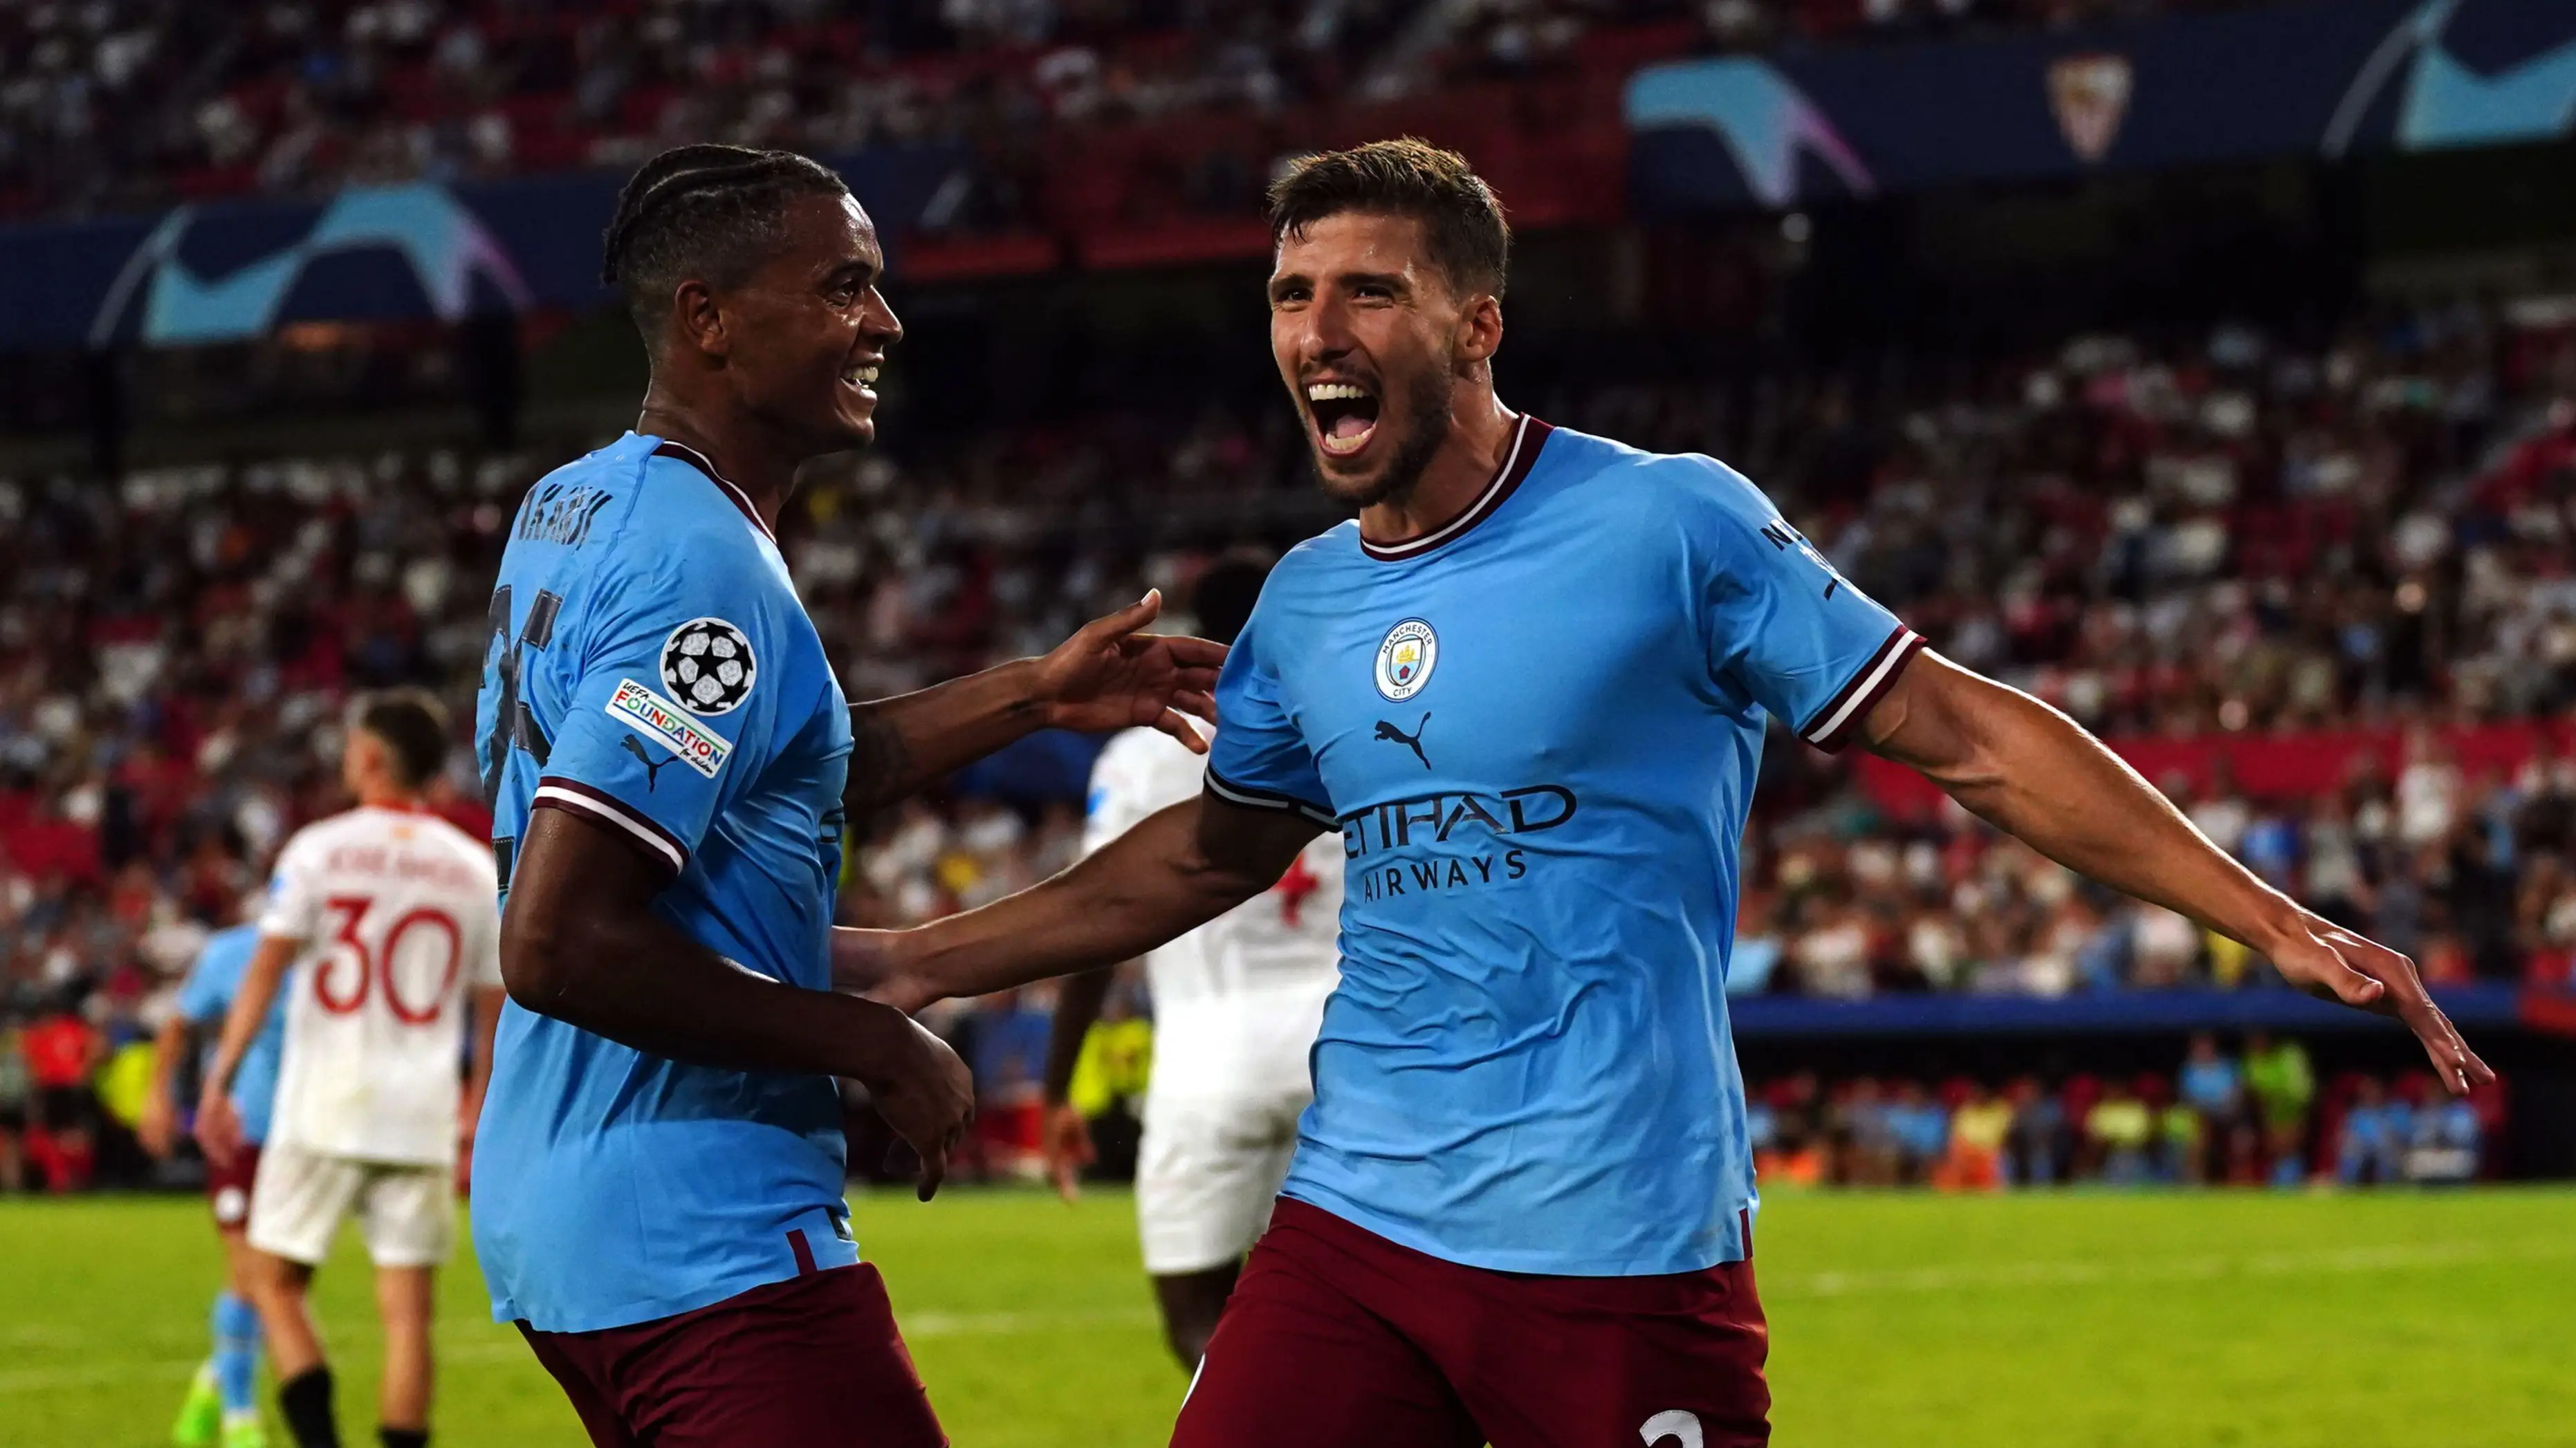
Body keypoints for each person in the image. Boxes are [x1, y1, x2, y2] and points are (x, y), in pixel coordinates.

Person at [841, 138, 2492, 1447]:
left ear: (1476, 325)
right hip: (1355, 1225)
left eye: (1366, 294)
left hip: (1616, 1240)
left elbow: (1970, 735)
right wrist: (915, 961)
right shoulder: (1305, 605)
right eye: (1288, 294)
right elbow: (1194, 861)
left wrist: (2269, 918)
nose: (1314, 334)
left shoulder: (1669, 527)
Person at [468, 143, 1224, 1448]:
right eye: (840, 286)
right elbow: (556, 936)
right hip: (699, 1227)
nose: (880, 319)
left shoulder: (579, 501)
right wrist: (869, 1038)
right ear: (706, 317)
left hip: (567, 1195)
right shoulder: (702, 565)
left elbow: (770, 760)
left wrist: (1033, 696)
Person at [1040, 552, 1345, 1369]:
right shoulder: (1353, 724)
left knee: (1198, 1318)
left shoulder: (1144, 756)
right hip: (1350, 1052)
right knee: (1352, 1310)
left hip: (1212, 1060)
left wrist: (1058, 1084)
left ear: (1197, 631)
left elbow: (1099, 921)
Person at [196, 690, 508, 1448]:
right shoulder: (470, 870)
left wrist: (221, 1077)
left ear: (369, 758)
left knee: (272, 1287)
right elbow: (490, 1007)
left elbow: (264, 973)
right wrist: (476, 1101)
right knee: (407, 1318)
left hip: (320, 1107)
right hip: (419, 1113)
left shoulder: (318, 851)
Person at [142, 902, 288, 1448]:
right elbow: (178, 1024)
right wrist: (158, 1096)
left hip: (303, 1139)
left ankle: (210, 1385)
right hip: (237, 1132)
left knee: (276, 1281)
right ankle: (240, 1418)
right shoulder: (232, 952)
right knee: (250, 1272)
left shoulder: (329, 956)